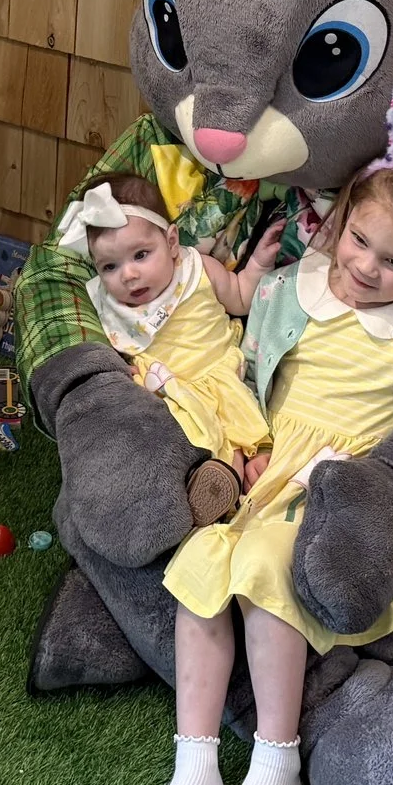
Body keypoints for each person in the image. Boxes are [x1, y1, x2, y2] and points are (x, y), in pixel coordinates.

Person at [133, 81, 393, 785]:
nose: (366, 266)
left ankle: (276, 759)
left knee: (269, 569)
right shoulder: (293, 288)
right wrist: (242, 445)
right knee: (201, 566)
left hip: (343, 489)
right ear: (340, 224)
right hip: (272, 464)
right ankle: (195, 762)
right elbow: (252, 371)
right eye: (359, 240)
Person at [60, 173, 281, 528]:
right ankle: (193, 488)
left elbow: (240, 298)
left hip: (217, 374)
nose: (128, 275)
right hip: (165, 391)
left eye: (141, 255)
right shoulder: (104, 303)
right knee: (167, 435)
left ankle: (226, 483)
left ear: (172, 242)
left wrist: (258, 265)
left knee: (234, 429)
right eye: (110, 267)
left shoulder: (198, 269)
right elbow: (107, 350)